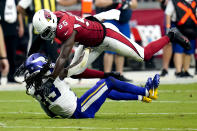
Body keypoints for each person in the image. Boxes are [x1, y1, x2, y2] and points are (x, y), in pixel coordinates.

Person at [31, 9, 190, 89]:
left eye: (46, 31)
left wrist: (51, 80)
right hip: (90, 42)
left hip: (106, 35)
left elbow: (63, 57)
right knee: (73, 72)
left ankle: (171, 35)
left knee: (144, 55)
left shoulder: (64, 27)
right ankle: (109, 75)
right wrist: (28, 58)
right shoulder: (54, 17)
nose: (45, 35)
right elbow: (39, 38)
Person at [21, 53, 160, 118]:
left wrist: (58, 113)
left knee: (106, 91)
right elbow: (79, 69)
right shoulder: (53, 73)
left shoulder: (32, 89)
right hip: (80, 110)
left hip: (72, 111)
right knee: (109, 82)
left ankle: (141, 97)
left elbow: (48, 112)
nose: (48, 65)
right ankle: (148, 91)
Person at [17, 0, 81, 61]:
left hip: (50, 30)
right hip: (36, 30)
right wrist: (31, 16)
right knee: (32, 53)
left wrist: (77, 1)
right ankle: (28, 68)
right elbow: (19, 7)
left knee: (53, 54)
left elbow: (62, 2)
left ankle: (54, 71)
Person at [95, 0, 137, 82]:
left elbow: (135, 5)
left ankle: (119, 74)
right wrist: (115, 1)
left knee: (121, 50)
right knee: (109, 49)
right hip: (111, 20)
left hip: (124, 22)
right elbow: (98, 3)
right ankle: (107, 75)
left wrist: (128, 3)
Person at [164, 0, 197, 77]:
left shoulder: (194, 1)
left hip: (191, 28)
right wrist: (168, 28)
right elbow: (168, 14)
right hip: (178, 27)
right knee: (178, 50)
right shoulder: (174, 1)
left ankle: (186, 70)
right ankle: (178, 71)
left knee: (189, 50)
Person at [0, 0, 24, 83]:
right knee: (1, 52)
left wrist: (21, 25)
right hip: (2, 24)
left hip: (13, 26)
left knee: (12, 52)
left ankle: (11, 76)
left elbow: (18, 11)